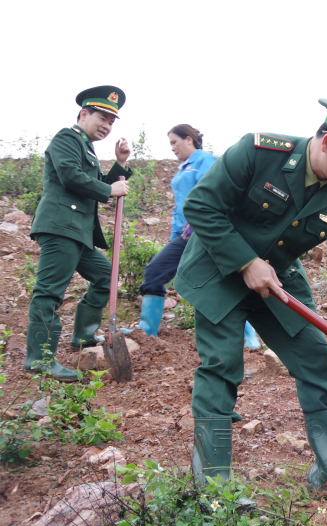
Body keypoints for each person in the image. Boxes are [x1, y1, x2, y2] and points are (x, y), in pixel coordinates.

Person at [174, 99, 327, 491]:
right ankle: (211, 488)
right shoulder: (257, 152)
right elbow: (201, 206)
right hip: (217, 269)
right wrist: (246, 262)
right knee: (222, 365)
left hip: (277, 278)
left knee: (315, 356)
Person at [25, 86, 132, 381]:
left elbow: (94, 183)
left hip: (79, 233)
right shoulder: (66, 138)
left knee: (106, 278)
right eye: (102, 118)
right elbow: (71, 176)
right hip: (61, 227)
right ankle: (40, 359)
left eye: (112, 122)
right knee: (49, 293)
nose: (107, 127)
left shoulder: (86, 147)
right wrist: (109, 189)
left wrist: (120, 164)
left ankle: (83, 337)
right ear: (84, 113)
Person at [136, 125, 259, 346]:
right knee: (156, 272)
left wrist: (200, 221)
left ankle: (249, 340)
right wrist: (174, 237)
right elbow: (178, 209)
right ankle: (146, 333)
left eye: (174, 142)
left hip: (205, 234)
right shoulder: (183, 169)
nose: (172, 148)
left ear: (189, 139)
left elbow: (218, 193)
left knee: (225, 284)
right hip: (185, 238)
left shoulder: (205, 162)